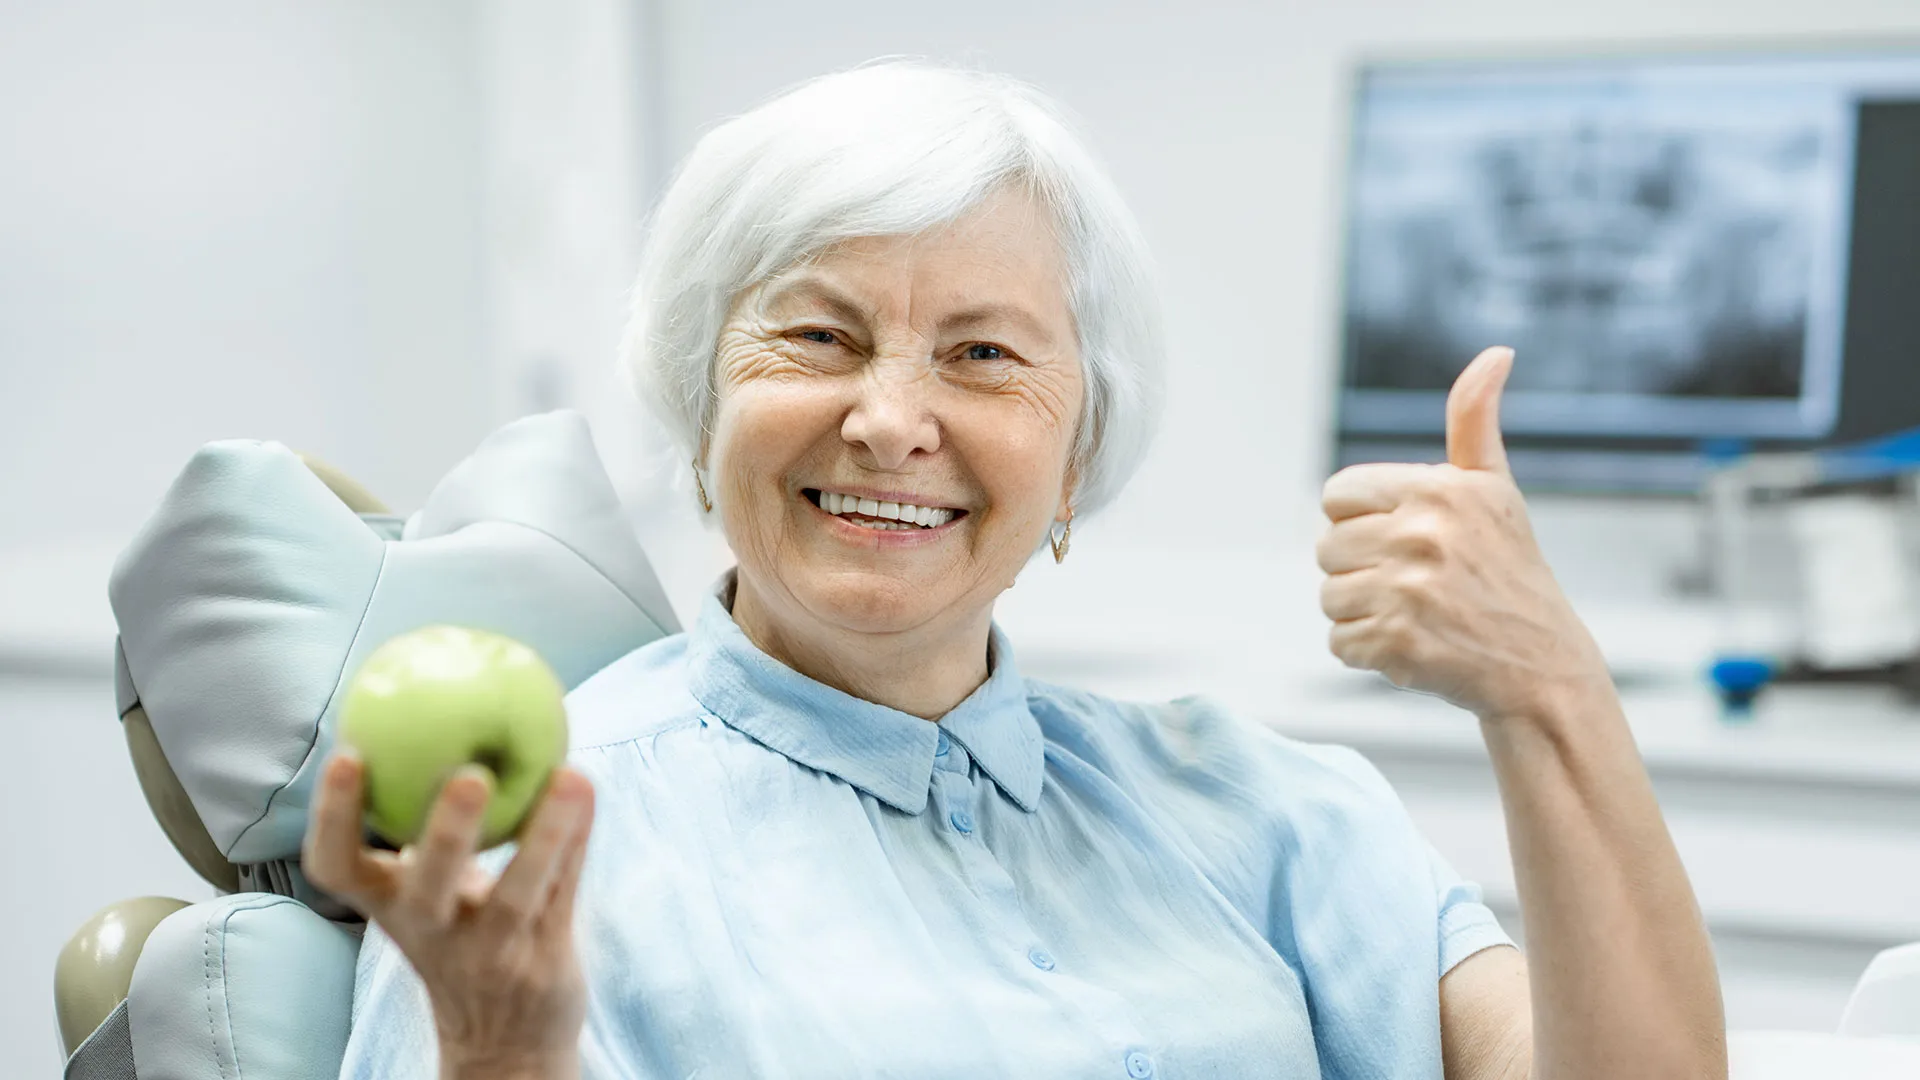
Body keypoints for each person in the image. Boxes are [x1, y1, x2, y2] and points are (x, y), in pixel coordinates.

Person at [310, 61, 1726, 1080]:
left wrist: (1546, 685)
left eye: (984, 354)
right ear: (699, 405)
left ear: (1078, 447)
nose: (890, 419)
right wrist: (498, 1056)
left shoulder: (1269, 812)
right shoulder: (537, 861)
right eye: (817, 338)